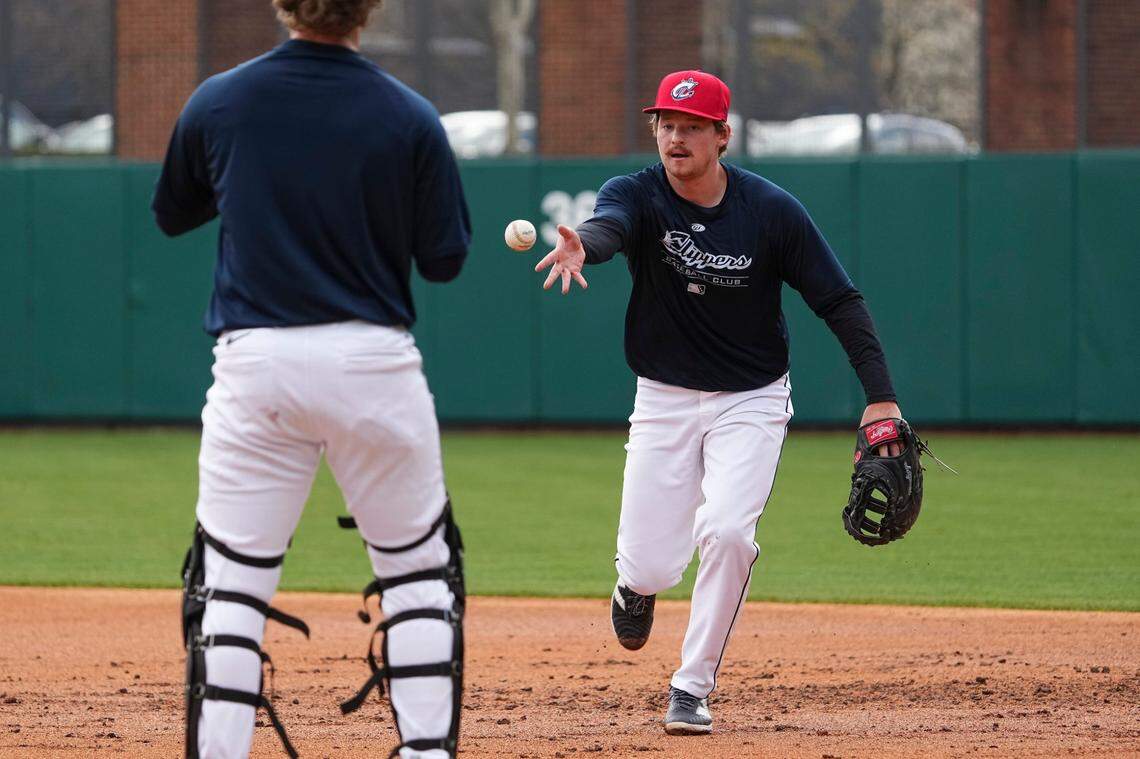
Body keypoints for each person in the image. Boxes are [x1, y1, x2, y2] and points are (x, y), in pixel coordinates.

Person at [534, 70, 902, 735]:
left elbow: (840, 302)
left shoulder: (771, 212)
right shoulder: (637, 194)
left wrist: (880, 397)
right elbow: (610, 227)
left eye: (692, 126)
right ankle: (636, 587)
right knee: (650, 561)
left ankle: (691, 685)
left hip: (752, 399)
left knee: (730, 533)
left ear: (721, 136)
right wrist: (583, 243)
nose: (676, 137)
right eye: (667, 125)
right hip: (664, 397)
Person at [152, 1, 471, 757]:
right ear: (371, 8)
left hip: (257, 362)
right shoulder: (411, 115)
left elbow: (172, 213)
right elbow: (445, 259)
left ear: (283, 4)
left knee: (230, 584)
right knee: (418, 570)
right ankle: (426, 750)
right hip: (372, 363)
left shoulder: (220, 99)